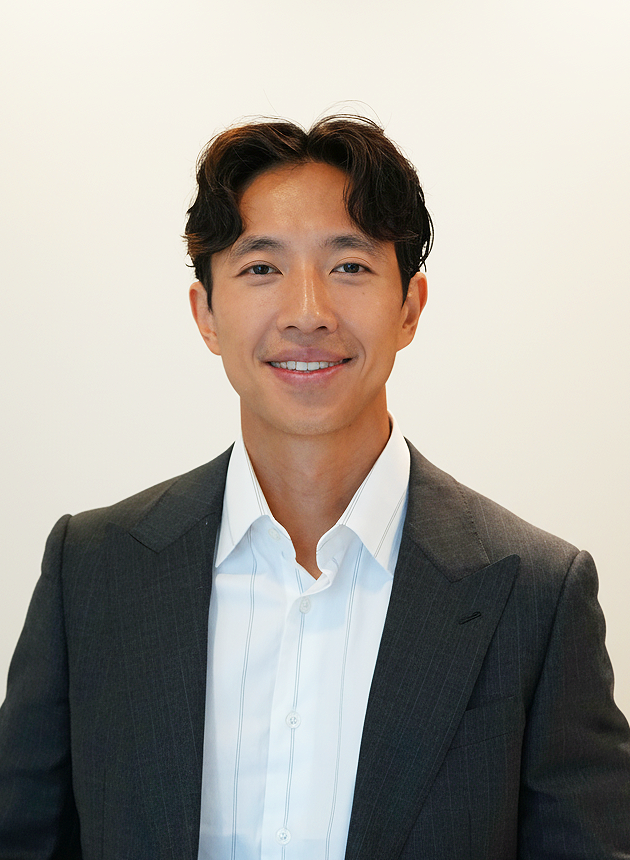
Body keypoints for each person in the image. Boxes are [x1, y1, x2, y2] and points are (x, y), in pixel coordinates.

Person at [0, 115, 629, 860]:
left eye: (350, 267)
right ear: (206, 314)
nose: (307, 313)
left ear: (410, 309)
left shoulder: (536, 593)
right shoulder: (94, 568)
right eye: (261, 268)